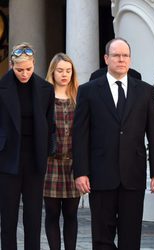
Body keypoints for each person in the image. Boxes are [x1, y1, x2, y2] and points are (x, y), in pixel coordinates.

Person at [72, 37, 154, 250]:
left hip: (133, 174)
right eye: (116, 55)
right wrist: (81, 172)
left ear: (130, 59)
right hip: (100, 174)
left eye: (125, 56)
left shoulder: (145, 91)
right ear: (106, 58)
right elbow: (80, 135)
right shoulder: (88, 90)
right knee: (102, 237)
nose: (121, 59)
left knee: (131, 236)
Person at [0, 42, 54, 250]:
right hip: (7, 158)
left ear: (34, 64)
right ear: (12, 65)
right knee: (8, 218)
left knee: (33, 218)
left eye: (28, 69)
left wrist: (48, 151)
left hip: (35, 160)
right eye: (19, 69)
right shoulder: (1, 87)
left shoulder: (45, 89)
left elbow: (49, 125)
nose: (24, 73)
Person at [43, 53, 81, 250]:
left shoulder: (79, 97)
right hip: (50, 164)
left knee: (71, 214)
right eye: (60, 70)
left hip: (73, 164)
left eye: (68, 70)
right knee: (51, 214)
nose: (64, 74)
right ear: (53, 72)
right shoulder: (44, 97)